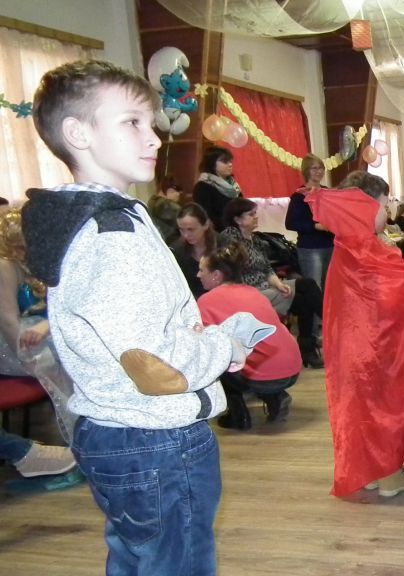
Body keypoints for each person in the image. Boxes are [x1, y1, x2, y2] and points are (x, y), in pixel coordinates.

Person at [21, 59, 252, 574]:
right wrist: (223, 346)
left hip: (124, 430)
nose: (153, 138)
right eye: (131, 122)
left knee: (140, 558)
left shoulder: (99, 219)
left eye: (150, 122)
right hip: (155, 438)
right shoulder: (112, 235)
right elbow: (153, 365)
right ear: (77, 133)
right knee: (177, 563)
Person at [306, 170, 404, 499]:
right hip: (374, 347)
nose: (386, 212)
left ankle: (371, 471)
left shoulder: (346, 246)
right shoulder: (364, 250)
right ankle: (389, 475)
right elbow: (390, 296)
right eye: (382, 205)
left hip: (352, 347)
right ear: (363, 207)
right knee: (384, 405)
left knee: (362, 409)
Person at [0, 209, 78, 479]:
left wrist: (48, 326)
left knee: (77, 342)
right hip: (14, 343)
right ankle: (87, 435)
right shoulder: (5, 267)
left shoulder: (40, 260)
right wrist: (28, 358)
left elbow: (61, 308)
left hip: (40, 331)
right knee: (70, 354)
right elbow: (8, 322)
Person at [197, 243, 301, 430]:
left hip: (263, 375)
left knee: (217, 355)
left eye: (201, 270)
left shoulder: (206, 301)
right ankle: (275, 397)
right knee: (252, 351)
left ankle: (238, 416)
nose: (198, 275)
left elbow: (204, 343)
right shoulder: (254, 293)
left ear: (216, 275)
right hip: (292, 368)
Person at [220, 197, 324, 368]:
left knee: (307, 288)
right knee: (305, 294)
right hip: (249, 292)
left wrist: (279, 285)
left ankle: (310, 344)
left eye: (255, 213)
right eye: (251, 214)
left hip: (267, 287)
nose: (256, 217)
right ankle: (322, 336)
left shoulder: (256, 240)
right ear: (237, 219)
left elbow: (267, 269)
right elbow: (230, 267)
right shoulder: (230, 237)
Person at [285, 153, 335, 290]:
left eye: (321, 168)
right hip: (310, 248)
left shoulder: (328, 193)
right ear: (306, 171)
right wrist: (315, 226)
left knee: (330, 288)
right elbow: (291, 223)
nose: (319, 171)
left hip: (331, 245)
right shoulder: (298, 196)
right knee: (315, 287)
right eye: (314, 168)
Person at [172, 203, 218, 299]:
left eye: (191, 229)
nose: (186, 235)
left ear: (206, 225)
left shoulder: (223, 244)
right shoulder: (177, 251)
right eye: (182, 230)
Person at [192, 146, 241, 231]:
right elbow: (206, 217)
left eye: (230, 161)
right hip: (219, 234)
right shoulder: (203, 187)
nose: (230, 164)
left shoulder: (233, 186)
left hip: (239, 232)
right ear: (212, 163)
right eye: (225, 162)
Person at [147, 175, 182, 244]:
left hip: (157, 243)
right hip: (171, 245)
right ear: (170, 190)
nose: (179, 196)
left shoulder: (151, 203)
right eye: (178, 193)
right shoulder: (170, 207)